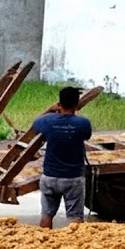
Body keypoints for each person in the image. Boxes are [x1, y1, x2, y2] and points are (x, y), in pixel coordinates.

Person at [31, 86, 93, 228]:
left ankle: (44, 240)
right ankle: (74, 241)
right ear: (77, 105)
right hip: (73, 178)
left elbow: (35, 124)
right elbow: (86, 135)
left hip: (50, 177)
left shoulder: (47, 121)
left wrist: (51, 110)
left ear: (59, 104)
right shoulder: (83, 123)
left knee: (46, 215)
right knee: (75, 218)